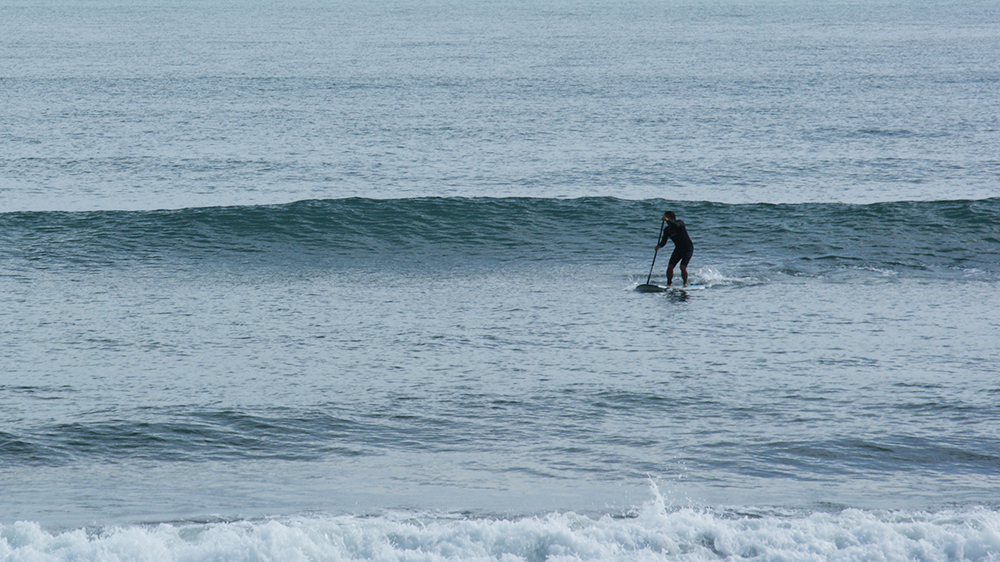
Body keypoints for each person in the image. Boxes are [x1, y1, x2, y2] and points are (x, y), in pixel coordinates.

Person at [655, 211, 694, 287]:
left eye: (668, 218)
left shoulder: (680, 223)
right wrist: (658, 246)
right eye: (666, 218)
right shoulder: (667, 230)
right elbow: (663, 241)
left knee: (682, 267)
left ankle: (685, 283)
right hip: (678, 249)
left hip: (688, 248)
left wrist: (667, 220)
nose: (667, 221)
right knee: (670, 266)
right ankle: (669, 283)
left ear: (673, 218)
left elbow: (676, 225)